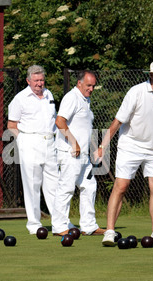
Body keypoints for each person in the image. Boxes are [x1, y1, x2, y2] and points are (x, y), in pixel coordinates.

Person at [98, 59, 153, 246]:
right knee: (121, 186)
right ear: (151, 76)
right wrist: (103, 146)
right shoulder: (136, 92)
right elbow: (118, 121)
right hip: (130, 145)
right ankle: (110, 232)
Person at [7, 65, 61, 234]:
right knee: (32, 184)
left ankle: (59, 222)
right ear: (28, 81)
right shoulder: (20, 98)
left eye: (42, 80)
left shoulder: (49, 95)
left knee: (55, 184)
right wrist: (22, 141)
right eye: (36, 80)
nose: (39, 83)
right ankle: (34, 224)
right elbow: (11, 125)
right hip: (30, 141)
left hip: (49, 142)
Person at [51, 71, 106, 236]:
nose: (91, 89)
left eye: (93, 86)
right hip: (70, 152)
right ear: (79, 83)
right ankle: (59, 227)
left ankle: (89, 226)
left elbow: (85, 128)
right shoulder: (72, 97)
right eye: (88, 85)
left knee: (89, 187)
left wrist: (94, 147)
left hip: (83, 155)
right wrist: (73, 143)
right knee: (66, 188)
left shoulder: (86, 100)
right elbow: (60, 121)